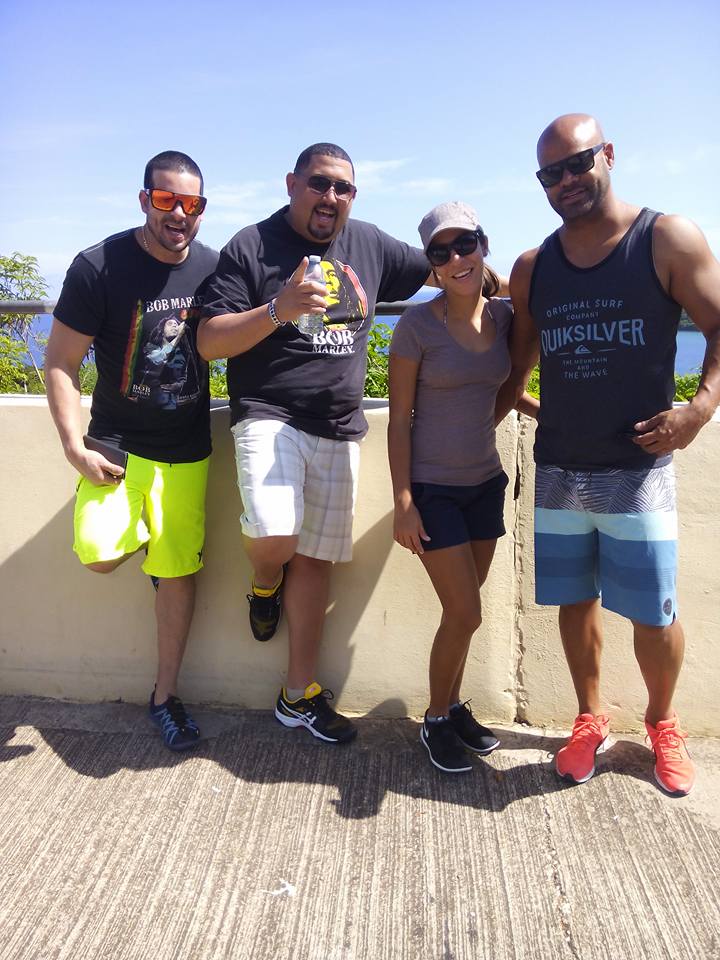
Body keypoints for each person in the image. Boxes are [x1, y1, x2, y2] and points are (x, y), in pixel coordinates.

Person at [498, 114, 720, 796]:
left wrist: (698, 410)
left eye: (578, 163)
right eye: (550, 174)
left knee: (654, 611)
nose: (565, 181)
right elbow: (515, 371)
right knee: (575, 602)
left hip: (639, 471)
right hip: (560, 469)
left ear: (609, 155)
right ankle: (589, 719)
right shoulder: (534, 267)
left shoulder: (666, 238)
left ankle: (662, 723)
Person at [197, 142, 431, 744]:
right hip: (269, 414)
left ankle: (296, 694)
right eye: (319, 184)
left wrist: (510, 281)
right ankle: (264, 581)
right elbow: (209, 341)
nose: (331, 197)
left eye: (343, 188)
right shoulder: (251, 245)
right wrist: (278, 309)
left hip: (338, 423)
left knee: (316, 561)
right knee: (275, 534)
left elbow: (442, 264)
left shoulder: (369, 243)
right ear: (291, 184)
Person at [45, 151, 219, 751]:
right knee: (97, 553)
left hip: (186, 449)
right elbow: (60, 362)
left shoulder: (212, 268)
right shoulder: (99, 266)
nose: (180, 214)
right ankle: (150, 541)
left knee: (177, 574)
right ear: (145, 199)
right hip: (115, 445)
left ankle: (165, 698)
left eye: (192, 203)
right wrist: (73, 446)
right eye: (167, 200)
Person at [388, 202, 537, 772]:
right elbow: (398, 420)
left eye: (464, 245)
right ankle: (434, 720)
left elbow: (505, 386)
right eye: (441, 252)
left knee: (463, 611)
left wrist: (548, 413)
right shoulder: (415, 327)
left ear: (483, 245)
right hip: (434, 490)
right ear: (432, 264)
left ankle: (451, 707)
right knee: (465, 612)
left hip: (485, 483)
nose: (456, 259)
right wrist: (404, 501)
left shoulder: (504, 317)